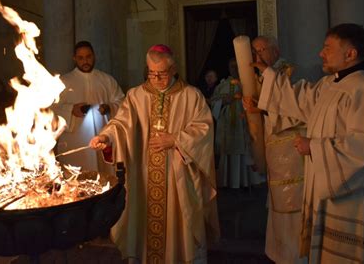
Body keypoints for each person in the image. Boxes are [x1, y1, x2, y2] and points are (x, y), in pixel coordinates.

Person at [253, 24, 364, 263]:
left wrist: (314, 147)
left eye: (328, 48)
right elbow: (299, 100)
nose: (321, 53)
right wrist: (268, 74)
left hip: (354, 203)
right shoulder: (330, 84)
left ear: (350, 54)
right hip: (331, 197)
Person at [89, 44, 219, 263]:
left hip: (178, 175)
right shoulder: (136, 96)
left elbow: (204, 129)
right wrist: (106, 137)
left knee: (180, 226)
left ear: (174, 69)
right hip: (144, 174)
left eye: (162, 74)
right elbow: (121, 123)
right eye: (151, 73)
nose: (156, 78)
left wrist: (176, 139)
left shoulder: (191, 96)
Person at [248, 35, 306, 264]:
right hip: (272, 150)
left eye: (262, 50)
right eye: (254, 51)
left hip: (292, 151)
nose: (258, 56)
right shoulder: (256, 78)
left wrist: (261, 109)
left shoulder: (289, 74)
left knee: (293, 203)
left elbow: (296, 110)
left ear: (276, 51)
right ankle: (279, 253)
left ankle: (296, 255)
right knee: (276, 204)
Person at [54, 41, 124, 173]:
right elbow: (51, 109)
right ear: (74, 58)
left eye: (88, 57)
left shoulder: (106, 80)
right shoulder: (63, 82)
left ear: (94, 56)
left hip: (101, 137)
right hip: (74, 141)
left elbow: (122, 102)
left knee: (103, 176)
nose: (85, 61)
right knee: (75, 179)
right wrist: (71, 110)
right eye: (80, 58)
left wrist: (109, 107)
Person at [211, 58, 262, 188]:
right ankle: (228, 182)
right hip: (227, 125)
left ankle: (247, 182)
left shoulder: (247, 83)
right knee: (228, 152)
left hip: (242, 123)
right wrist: (222, 102)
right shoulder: (223, 85)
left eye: (236, 66)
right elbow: (213, 102)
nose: (233, 69)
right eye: (231, 67)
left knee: (244, 150)